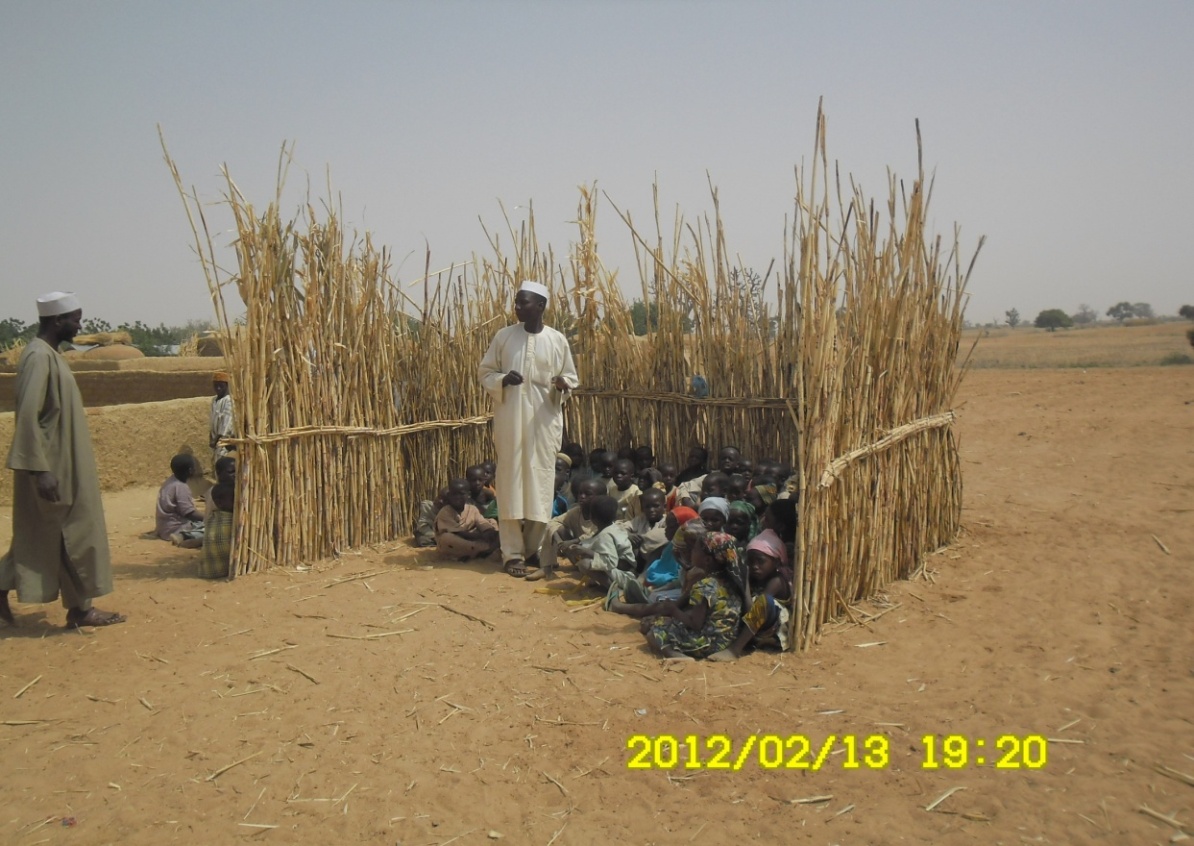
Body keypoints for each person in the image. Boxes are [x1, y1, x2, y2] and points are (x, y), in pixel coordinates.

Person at [0, 291, 124, 629]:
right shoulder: (38, 357)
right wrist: (40, 470)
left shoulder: (51, 355)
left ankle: (79, 609)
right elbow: (27, 416)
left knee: (51, 535)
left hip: (65, 465)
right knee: (73, 532)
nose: (79, 325)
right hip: (53, 467)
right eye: (75, 318)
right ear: (58, 321)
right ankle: (81, 608)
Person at [479, 280, 578, 578]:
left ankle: (533, 549)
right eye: (516, 302)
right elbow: (485, 371)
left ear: (541, 306)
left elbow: (570, 378)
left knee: (541, 482)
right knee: (509, 483)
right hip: (510, 422)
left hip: (543, 422)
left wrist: (563, 386)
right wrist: (502, 380)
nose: (518, 308)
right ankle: (511, 554)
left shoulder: (557, 340)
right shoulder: (503, 337)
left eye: (524, 303)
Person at [641, 532, 744, 660]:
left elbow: (695, 624)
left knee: (654, 634)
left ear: (707, 560)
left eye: (695, 549)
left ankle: (676, 655)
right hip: (725, 640)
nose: (692, 552)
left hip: (708, 644)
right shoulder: (732, 581)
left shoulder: (703, 585)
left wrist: (673, 610)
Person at [709, 530, 793, 660]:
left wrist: (746, 584)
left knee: (764, 601)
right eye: (751, 561)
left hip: (772, 628)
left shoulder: (777, 581)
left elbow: (752, 611)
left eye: (760, 561)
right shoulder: (759, 578)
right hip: (757, 627)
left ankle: (735, 650)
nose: (754, 566)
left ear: (776, 562)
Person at [434, 479, 500, 560]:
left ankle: (475, 552)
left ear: (468, 495)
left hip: (472, 538)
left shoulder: (472, 509)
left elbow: (482, 522)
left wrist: (489, 532)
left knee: (492, 522)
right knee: (446, 538)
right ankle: (483, 550)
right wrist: (480, 536)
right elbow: (458, 532)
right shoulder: (445, 511)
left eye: (461, 494)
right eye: (454, 494)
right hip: (457, 540)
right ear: (449, 495)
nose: (457, 497)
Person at [157, 454, 205, 545]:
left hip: (164, 528)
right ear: (190, 470)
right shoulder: (181, 487)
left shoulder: (170, 481)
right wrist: (209, 518)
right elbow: (189, 513)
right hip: (176, 529)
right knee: (211, 529)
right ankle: (184, 537)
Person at [199, 482, 235, 580]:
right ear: (219, 502)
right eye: (233, 499)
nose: (236, 501)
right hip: (222, 571)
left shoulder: (212, 517)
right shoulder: (231, 521)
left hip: (206, 570)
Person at [209, 371, 235, 468]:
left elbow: (226, 423)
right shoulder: (214, 400)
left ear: (227, 385)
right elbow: (212, 420)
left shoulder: (229, 401)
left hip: (224, 440)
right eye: (216, 386)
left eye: (221, 386)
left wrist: (216, 439)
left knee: (222, 464)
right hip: (215, 440)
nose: (218, 388)